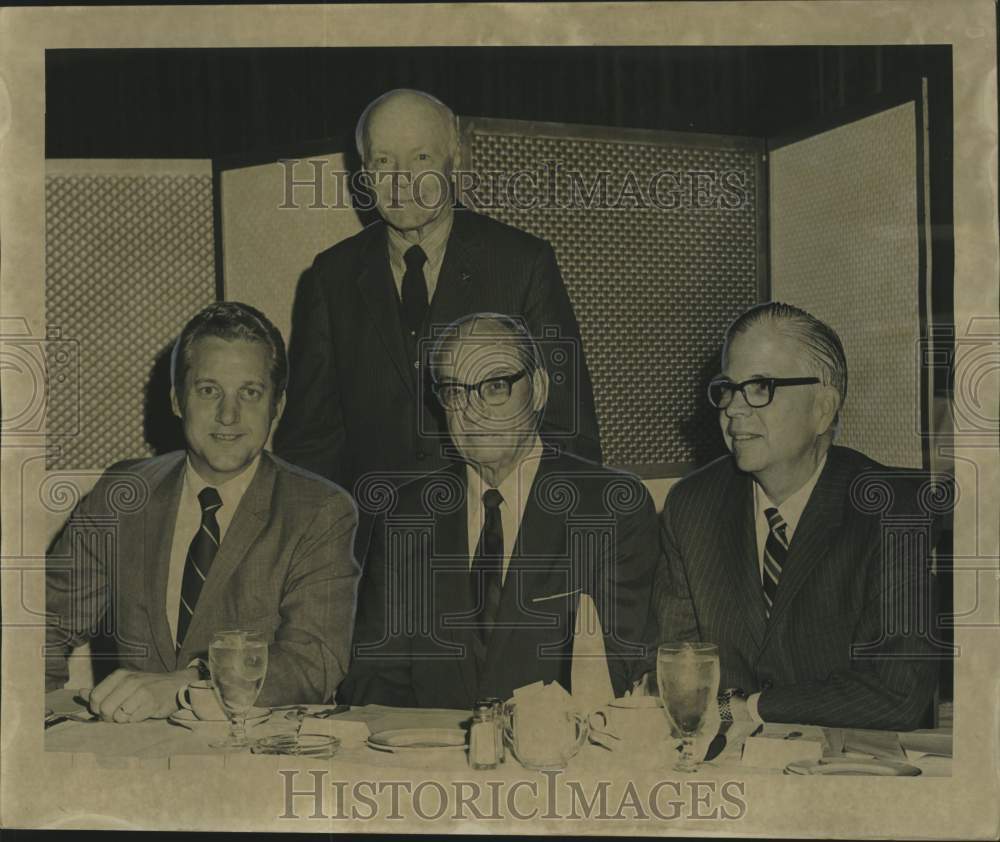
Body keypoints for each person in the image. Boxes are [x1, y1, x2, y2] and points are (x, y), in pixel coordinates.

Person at [274, 89, 602, 551]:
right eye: (384, 161)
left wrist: (544, 555)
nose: (402, 179)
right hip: (371, 560)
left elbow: (569, 431)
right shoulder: (331, 277)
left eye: (421, 156)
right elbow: (309, 445)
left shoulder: (522, 263)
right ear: (363, 173)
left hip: (494, 547)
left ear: (455, 161)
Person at [45, 302, 360, 722]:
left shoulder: (320, 511)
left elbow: (312, 662)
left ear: (277, 407)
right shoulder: (121, 494)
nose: (228, 415)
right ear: (177, 400)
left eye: (250, 393)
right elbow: (40, 626)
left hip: (255, 759)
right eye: (209, 390)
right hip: (133, 758)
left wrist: (187, 687)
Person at [651, 301, 947, 730]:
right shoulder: (691, 505)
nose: (733, 408)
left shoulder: (896, 510)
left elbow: (896, 693)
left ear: (823, 408)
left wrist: (751, 708)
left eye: (759, 387)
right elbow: (674, 665)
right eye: (728, 388)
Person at [338, 314, 656, 709]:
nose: (473, 411)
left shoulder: (612, 507)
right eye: (454, 391)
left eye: (494, 387)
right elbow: (373, 677)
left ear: (538, 389)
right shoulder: (406, 515)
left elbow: (616, 671)